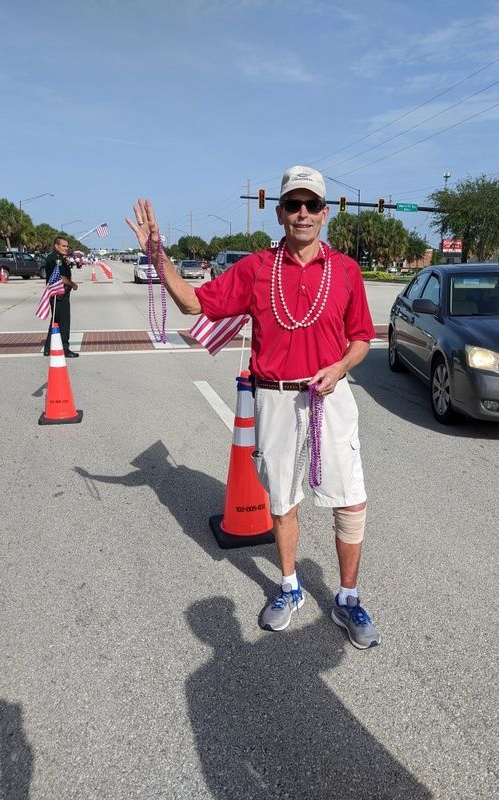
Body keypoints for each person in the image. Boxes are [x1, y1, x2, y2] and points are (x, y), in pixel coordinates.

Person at [126, 165, 381, 650]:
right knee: (282, 502)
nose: (302, 213)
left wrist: (340, 367)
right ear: (280, 213)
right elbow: (192, 303)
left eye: (311, 205)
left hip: (331, 397)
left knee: (350, 500)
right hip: (275, 398)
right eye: (293, 205)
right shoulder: (257, 268)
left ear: (324, 213)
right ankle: (289, 587)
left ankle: (347, 599)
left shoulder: (346, 270)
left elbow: (362, 338)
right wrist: (156, 254)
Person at [43, 236, 79, 357]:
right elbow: (61, 277)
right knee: (64, 322)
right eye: (63, 246)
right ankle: (64, 348)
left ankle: (48, 348)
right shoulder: (56, 258)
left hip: (57, 294)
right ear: (56, 246)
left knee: (56, 320)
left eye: (67, 246)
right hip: (60, 295)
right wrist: (73, 284)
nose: (66, 248)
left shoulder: (56, 257)